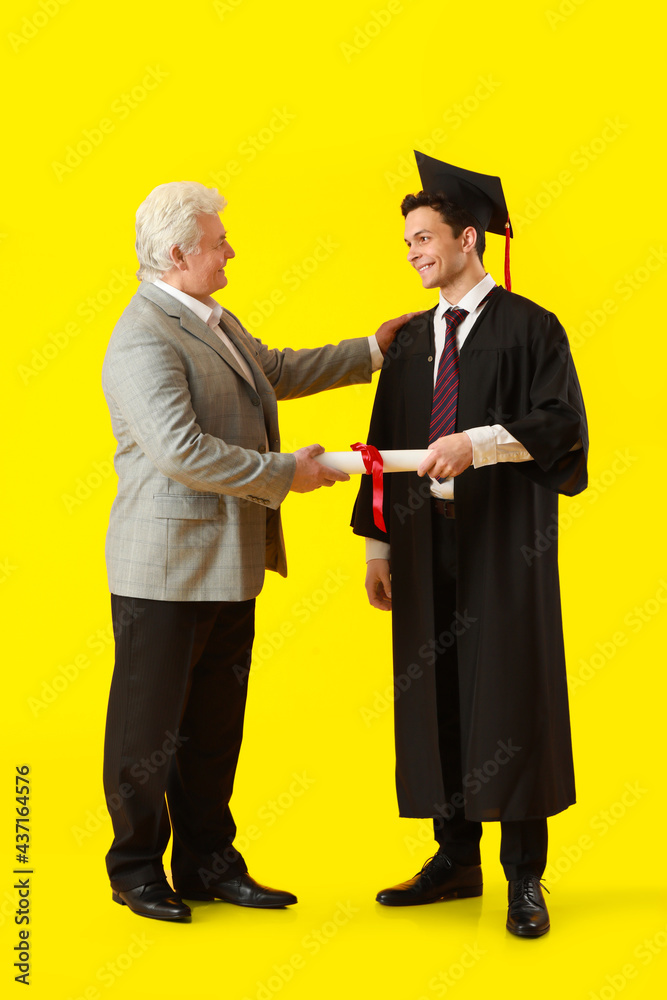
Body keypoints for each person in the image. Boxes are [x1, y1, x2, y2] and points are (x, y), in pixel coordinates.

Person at [102, 180, 417, 924]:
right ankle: (137, 869)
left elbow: (272, 370)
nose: (230, 251)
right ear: (178, 253)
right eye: (218, 242)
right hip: (165, 569)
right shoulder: (142, 334)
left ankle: (209, 861)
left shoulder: (210, 319)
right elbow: (181, 451)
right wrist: (286, 475)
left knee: (214, 727)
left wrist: (372, 350)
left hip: (227, 563)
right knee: (148, 732)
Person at [351, 152, 588, 938]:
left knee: (509, 697)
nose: (415, 251)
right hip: (422, 546)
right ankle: (454, 859)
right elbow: (384, 445)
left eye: (424, 237)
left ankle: (524, 878)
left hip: (501, 544)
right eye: (408, 242)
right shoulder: (414, 341)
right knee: (436, 695)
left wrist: (479, 442)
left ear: (469, 238)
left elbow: (562, 426)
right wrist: (376, 549)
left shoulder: (530, 329)